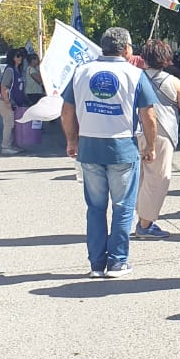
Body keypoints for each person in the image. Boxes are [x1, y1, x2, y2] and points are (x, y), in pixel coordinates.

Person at [60, 28, 158, 279]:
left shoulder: (81, 72)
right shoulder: (135, 74)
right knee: (123, 207)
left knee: (95, 207)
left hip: (89, 147)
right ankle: (117, 262)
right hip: (122, 147)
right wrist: (151, 146)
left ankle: (96, 264)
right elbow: (148, 116)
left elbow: (67, 111)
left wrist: (72, 140)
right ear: (125, 48)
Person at [134, 40, 180, 240]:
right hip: (162, 133)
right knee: (157, 179)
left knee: (140, 178)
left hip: (135, 131)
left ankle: (141, 215)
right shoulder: (173, 81)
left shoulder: (135, 78)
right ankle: (145, 224)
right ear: (166, 58)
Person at [0, 48, 28, 155]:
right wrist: (7, 101)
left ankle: (13, 145)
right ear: (12, 57)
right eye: (17, 55)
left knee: (14, 125)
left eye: (21, 55)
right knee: (8, 124)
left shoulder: (17, 70)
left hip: (15, 102)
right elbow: (3, 86)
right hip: (6, 102)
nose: (20, 58)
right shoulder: (10, 70)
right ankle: (5, 146)